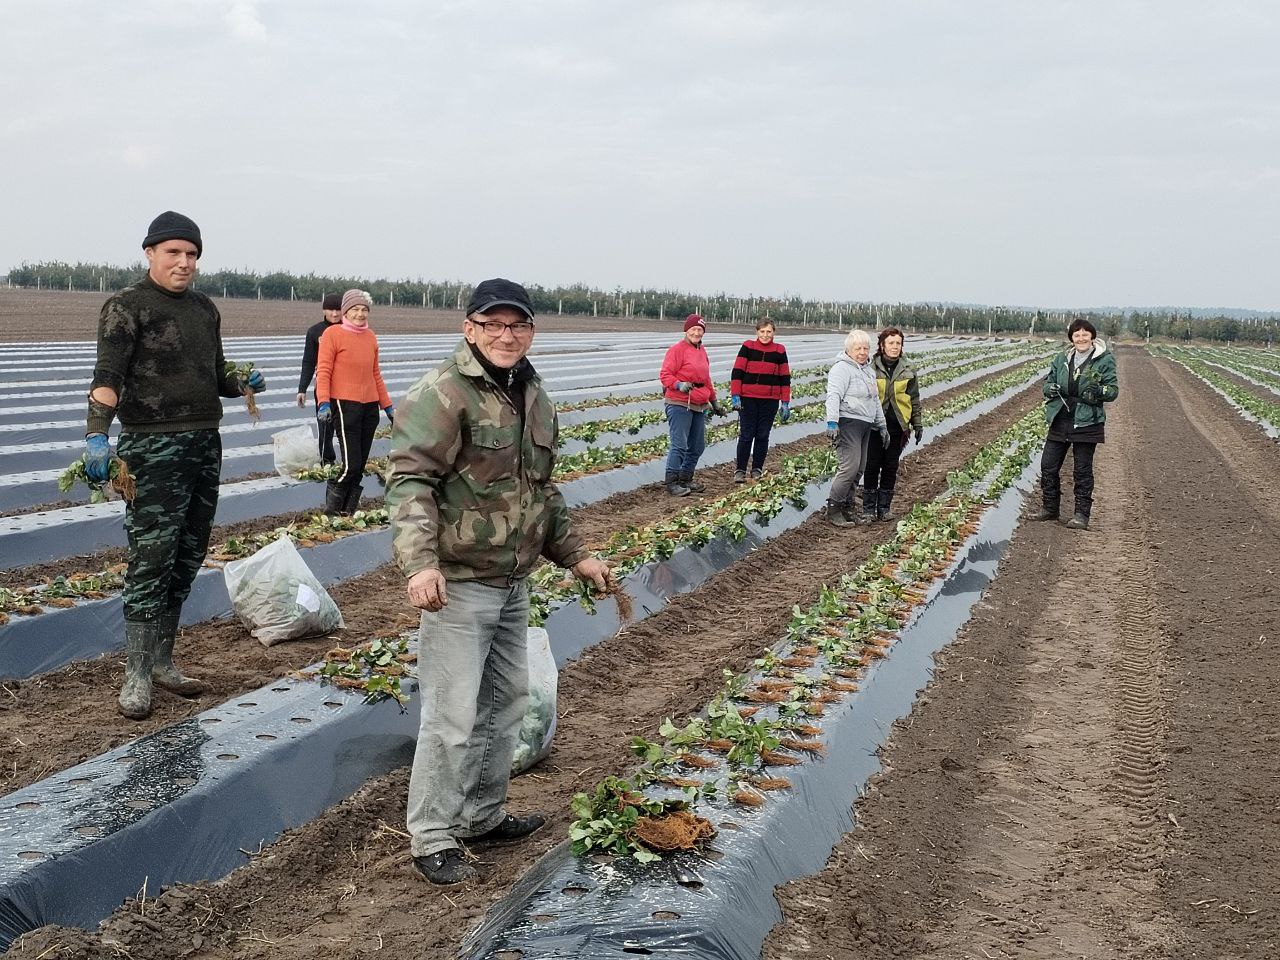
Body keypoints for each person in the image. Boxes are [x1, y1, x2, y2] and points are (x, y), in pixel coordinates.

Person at [385, 277, 610, 886]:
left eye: (518, 325)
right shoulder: (444, 392)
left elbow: (542, 491)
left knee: (505, 705)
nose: (506, 336)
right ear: (470, 328)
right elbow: (410, 484)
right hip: (459, 583)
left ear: (531, 331)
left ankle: (483, 814)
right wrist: (420, 564)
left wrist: (577, 557)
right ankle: (433, 833)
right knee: (453, 714)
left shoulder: (533, 393)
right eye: (494, 325)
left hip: (514, 582)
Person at [84, 210, 266, 719]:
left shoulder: (205, 309)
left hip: (204, 445)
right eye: (174, 253)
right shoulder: (126, 306)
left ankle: (163, 662)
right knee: (153, 556)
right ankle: (137, 673)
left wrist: (240, 381)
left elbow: (213, 373)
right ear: (150, 254)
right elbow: (107, 374)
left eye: (192, 255)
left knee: (188, 553)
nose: (184, 262)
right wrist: (97, 434)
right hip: (151, 448)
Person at [1032, 318, 1119, 530]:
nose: (1081, 338)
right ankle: (1050, 508)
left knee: (1082, 470)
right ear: (1071, 338)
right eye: (1077, 334)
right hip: (1061, 416)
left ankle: (1081, 515)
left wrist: (1100, 392)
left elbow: (1113, 391)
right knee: (1048, 465)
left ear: (1092, 337)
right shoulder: (1062, 358)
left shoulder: (1104, 359)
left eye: (1085, 334)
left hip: (1087, 420)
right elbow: (1048, 383)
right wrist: (1050, 389)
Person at [315, 289, 394, 516]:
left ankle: (346, 514)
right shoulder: (333, 335)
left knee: (359, 467)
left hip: (369, 407)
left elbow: (375, 374)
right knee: (350, 464)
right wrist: (324, 402)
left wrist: (387, 406)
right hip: (344, 404)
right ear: (345, 312)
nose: (360, 314)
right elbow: (324, 371)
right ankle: (331, 512)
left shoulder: (370, 337)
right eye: (355, 310)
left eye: (364, 310)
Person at [824, 329, 889, 526]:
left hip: (866, 424)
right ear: (849, 349)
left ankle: (848, 507)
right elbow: (833, 395)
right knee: (849, 468)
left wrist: (882, 425)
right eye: (858, 348)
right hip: (848, 422)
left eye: (865, 348)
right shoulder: (841, 369)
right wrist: (832, 421)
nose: (862, 352)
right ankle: (833, 509)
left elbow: (875, 400)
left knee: (859, 468)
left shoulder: (869, 371)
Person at [862, 328, 923, 521]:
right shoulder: (870, 368)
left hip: (897, 425)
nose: (895, 347)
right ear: (882, 345)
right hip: (874, 425)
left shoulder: (908, 369)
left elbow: (914, 399)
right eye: (891, 343)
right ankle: (868, 509)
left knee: (890, 466)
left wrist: (917, 423)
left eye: (898, 343)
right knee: (871, 465)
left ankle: (884, 508)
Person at [658, 314, 721, 496]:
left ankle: (686, 478)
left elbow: (706, 379)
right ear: (686, 330)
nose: (696, 332)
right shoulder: (677, 350)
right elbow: (665, 374)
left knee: (697, 446)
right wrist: (679, 384)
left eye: (700, 330)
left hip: (699, 404)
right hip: (679, 403)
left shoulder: (702, 351)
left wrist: (714, 402)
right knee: (679, 444)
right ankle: (672, 481)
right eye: (693, 329)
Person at [730, 317, 792, 483]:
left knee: (763, 435)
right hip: (748, 398)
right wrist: (735, 395)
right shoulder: (748, 347)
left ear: (774, 333)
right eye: (762, 331)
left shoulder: (779, 350)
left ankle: (757, 468)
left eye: (769, 332)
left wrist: (785, 402)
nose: (765, 335)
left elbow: (785, 378)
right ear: (757, 332)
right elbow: (737, 372)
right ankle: (740, 470)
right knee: (746, 435)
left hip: (769, 400)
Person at [296, 292, 344, 464]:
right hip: (324, 387)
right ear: (324, 310)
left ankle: (348, 462)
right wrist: (302, 389)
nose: (335, 314)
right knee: (325, 426)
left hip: (346, 388)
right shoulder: (314, 332)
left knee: (346, 427)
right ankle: (327, 461)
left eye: (338, 310)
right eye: (331, 310)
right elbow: (308, 361)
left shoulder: (350, 330)